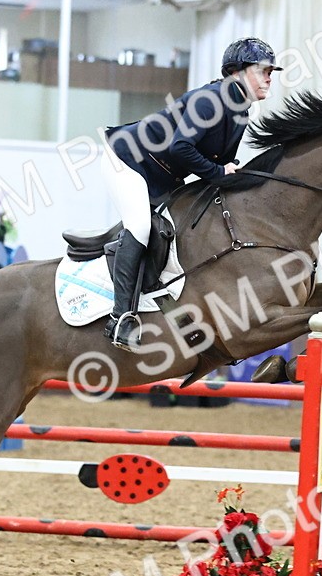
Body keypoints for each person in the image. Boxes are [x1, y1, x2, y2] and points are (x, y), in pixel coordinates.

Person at [100, 37, 282, 352]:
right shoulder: (211, 100)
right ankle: (121, 318)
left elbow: (219, 164)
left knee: (183, 227)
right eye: (263, 70)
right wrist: (220, 172)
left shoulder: (240, 111)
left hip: (165, 173)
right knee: (141, 227)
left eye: (271, 71)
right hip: (127, 159)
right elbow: (181, 147)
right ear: (236, 72)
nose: (269, 77)